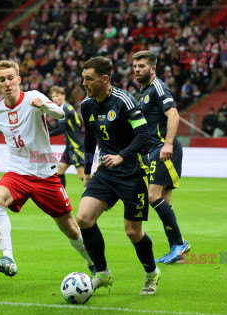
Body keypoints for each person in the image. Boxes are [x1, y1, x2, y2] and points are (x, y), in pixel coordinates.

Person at [0, 60, 94, 277]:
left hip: (44, 174)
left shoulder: (32, 97)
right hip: (17, 172)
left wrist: (45, 106)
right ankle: (8, 258)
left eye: (11, 78)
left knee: (68, 225)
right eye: (2, 80)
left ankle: (92, 262)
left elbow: (60, 114)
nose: (7, 83)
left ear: (18, 79)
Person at [76, 56, 160, 295]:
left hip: (132, 172)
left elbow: (144, 135)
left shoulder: (124, 100)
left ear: (104, 79)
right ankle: (102, 272)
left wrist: (122, 156)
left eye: (89, 79)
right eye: (83, 78)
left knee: (133, 232)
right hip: (105, 172)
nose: (84, 83)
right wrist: (87, 171)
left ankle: (152, 273)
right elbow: (90, 138)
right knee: (83, 218)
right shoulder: (87, 105)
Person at [132, 50, 190, 264]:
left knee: (152, 196)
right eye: (135, 66)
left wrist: (167, 144)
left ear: (152, 68)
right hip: (154, 149)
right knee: (164, 200)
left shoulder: (158, 87)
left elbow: (173, 114)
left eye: (142, 66)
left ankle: (179, 243)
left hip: (164, 149)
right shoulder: (144, 90)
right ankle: (177, 251)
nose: (137, 70)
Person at [48, 86, 84, 187]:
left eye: (57, 96)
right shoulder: (68, 107)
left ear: (63, 96)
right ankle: (62, 199)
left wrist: (47, 134)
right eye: (53, 96)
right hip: (70, 147)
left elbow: (61, 128)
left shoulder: (64, 108)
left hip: (76, 146)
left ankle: (99, 194)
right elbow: (79, 123)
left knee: (82, 175)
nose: (55, 99)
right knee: (59, 170)